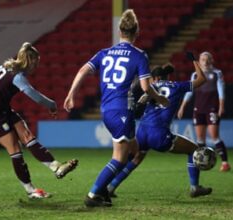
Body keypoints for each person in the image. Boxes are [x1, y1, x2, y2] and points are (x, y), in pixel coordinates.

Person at [64, 9, 169, 207]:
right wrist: (160, 99)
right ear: (137, 32)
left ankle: (106, 189)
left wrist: (71, 94)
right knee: (119, 158)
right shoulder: (139, 55)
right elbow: (146, 87)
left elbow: (82, 70)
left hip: (108, 110)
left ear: (120, 31)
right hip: (122, 111)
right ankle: (94, 194)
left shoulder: (104, 53)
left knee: (135, 151)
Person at [0, 42, 78, 199]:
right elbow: (34, 94)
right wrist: (52, 105)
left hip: (4, 110)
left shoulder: (6, 68)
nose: (37, 65)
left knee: (27, 136)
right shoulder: (18, 77)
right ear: (31, 61)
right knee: (15, 150)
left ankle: (57, 168)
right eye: (36, 62)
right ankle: (31, 190)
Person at [107, 54, 213, 198]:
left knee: (136, 158)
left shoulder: (150, 87)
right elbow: (201, 80)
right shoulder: (176, 86)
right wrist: (194, 60)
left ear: (155, 78)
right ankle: (195, 187)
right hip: (159, 133)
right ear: (167, 77)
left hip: (142, 131)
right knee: (194, 150)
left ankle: (110, 186)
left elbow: (138, 96)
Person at [177, 51, 231, 172]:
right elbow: (190, 92)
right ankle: (200, 163)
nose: (205, 62)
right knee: (200, 139)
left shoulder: (217, 73)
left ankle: (225, 162)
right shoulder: (195, 75)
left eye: (207, 59)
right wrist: (182, 107)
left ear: (211, 61)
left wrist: (221, 106)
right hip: (199, 109)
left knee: (214, 136)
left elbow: (221, 90)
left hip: (212, 108)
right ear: (199, 61)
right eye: (202, 59)